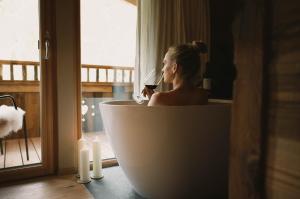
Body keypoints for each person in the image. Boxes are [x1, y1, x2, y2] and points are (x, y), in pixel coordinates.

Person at [142, 41, 209, 106]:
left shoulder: (158, 98)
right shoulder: (202, 96)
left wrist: (153, 99)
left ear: (174, 68)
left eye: (165, 63)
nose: (162, 69)